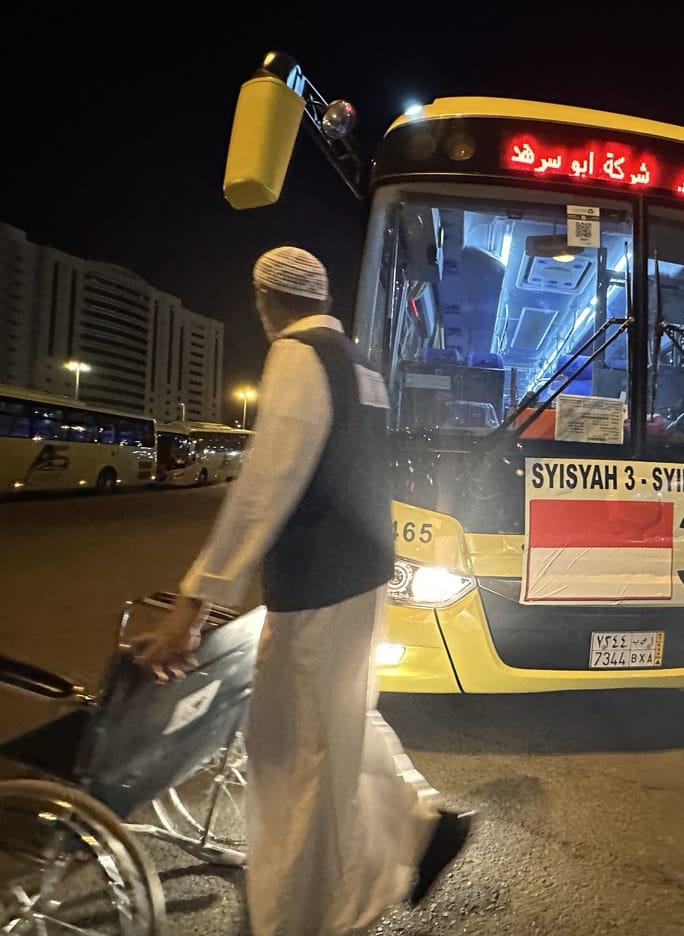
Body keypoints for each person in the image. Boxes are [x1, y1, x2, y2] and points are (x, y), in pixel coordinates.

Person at [132, 246, 472, 935]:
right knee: (338, 721)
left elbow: (263, 489)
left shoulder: (297, 355)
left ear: (265, 300)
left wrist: (192, 604)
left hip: (318, 584)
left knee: (295, 755)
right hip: (365, 574)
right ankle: (420, 824)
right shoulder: (361, 362)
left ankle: (301, 917)